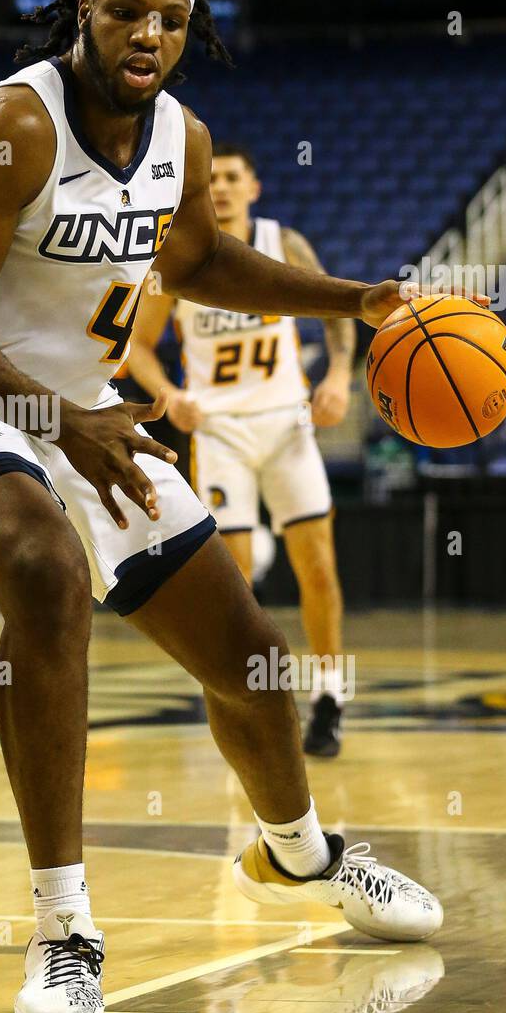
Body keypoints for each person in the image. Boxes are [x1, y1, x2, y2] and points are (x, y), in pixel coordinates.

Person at [0, 0, 442, 1013]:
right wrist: (59, 419)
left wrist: (353, 299)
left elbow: (204, 261)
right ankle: (64, 931)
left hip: (87, 421)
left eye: (171, 20)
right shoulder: (7, 127)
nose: (149, 34)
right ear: (85, 12)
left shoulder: (182, 135)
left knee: (262, 668)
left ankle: (302, 856)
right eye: (128, 11)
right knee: (42, 571)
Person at [127, 143, 353, 756]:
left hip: (286, 423)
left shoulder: (285, 244)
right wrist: (169, 394)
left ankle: (329, 695)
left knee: (320, 566)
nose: (221, 186)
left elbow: (337, 314)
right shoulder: (177, 259)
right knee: (240, 577)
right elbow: (136, 348)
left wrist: (338, 376)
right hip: (220, 430)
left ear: (254, 187)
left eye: (232, 177)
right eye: (212, 178)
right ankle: (249, 698)